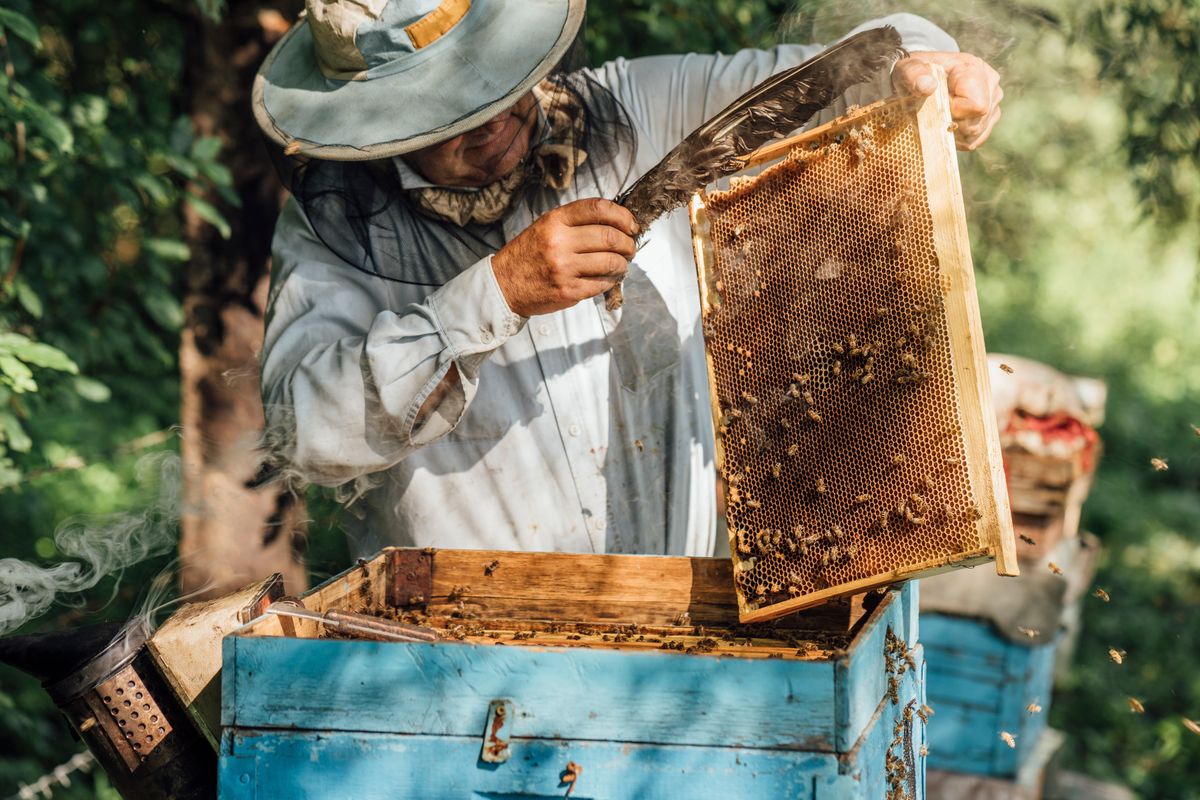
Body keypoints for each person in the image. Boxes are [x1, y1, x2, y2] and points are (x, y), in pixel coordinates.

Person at [252, 0, 1003, 559]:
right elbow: (304, 432)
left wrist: (925, 71)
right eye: (441, 115)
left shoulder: (640, 109)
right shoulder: (328, 234)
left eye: (484, 83)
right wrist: (493, 296)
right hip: (465, 670)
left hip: (674, 632)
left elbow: (836, 76)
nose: (484, 122)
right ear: (378, 124)